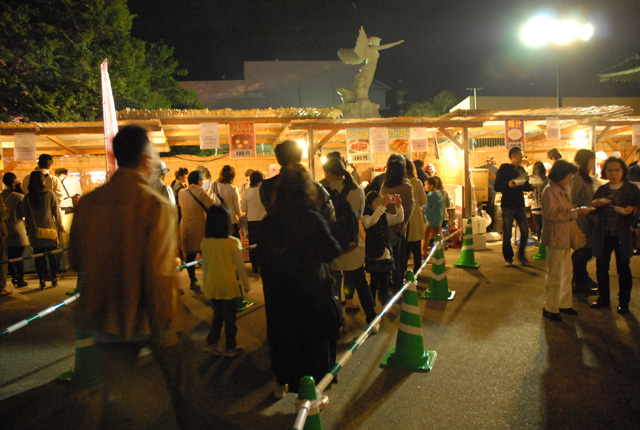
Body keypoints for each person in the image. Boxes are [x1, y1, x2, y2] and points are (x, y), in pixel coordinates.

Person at [71, 125, 201, 429]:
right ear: (146, 159)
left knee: (117, 402)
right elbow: (159, 273)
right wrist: (166, 328)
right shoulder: (154, 203)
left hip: (106, 318)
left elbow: (76, 260)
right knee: (186, 395)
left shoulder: (89, 204)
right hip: (150, 317)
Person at [258, 166, 342, 398]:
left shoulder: (269, 221)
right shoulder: (312, 218)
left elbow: (261, 258)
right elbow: (332, 250)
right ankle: (310, 395)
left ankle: (281, 381)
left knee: (284, 340)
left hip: (280, 295)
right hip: (311, 293)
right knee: (311, 344)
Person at [323, 157, 378, 329]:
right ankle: (371, 318)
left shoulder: (324, 191)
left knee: (333, 287)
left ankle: (336, 323)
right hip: (353, 244)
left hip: (333, 245)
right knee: (360, 282)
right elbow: (360, 214)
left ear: (330, 173)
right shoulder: (357, 189)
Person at [541, 160, 591, 322]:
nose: (570, 180)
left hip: (563, 237)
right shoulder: (550, 192)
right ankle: (550, 307)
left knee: (566, 273)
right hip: (555, 237)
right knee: (555, 274)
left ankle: (564, 304)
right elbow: (552, 215)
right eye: (569, 177)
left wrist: (575, 212)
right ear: (561, 175)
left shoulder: (561, 190)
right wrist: (576, 213)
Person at [590, 157, 640, 314]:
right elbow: (593, 208)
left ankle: (624, 302)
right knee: (601, 267)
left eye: (617, 169)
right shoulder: (603, 189)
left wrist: (633, 210)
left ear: (623, 171)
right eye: (610, 170)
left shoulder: (632, 189)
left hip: (622, 233)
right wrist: (595, 204)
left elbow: (639, 208)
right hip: (603, 232)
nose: (613, 173)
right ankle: (603, 298)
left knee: (623, 268)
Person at [201, 204, 251, 357]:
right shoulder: (232, 242)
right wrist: (246, 284)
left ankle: (212, 343)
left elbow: (205, 267)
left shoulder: (205, 242)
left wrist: (204, 285)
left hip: (212, 286)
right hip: (228, 287)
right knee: (230, 319)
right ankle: (230, 347)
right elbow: (240, 267)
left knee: (218, 315)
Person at [260, 139, 334, 222]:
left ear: (278, 158)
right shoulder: (316, 187)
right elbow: (329, 217)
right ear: (299, 157)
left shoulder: (267, 186)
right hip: (309, 231)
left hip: (278, 231)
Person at [363, 190, 404, 307]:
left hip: (385, 255)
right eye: (377, 202)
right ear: (369, 204)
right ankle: (371, 306)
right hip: (374, 255)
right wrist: (383, 206)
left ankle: (384, 303)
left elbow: (399, 218)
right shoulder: (367, 216)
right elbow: (370, 222)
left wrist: (398, 205)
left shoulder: (383, 215)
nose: (380, 204)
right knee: (374, 282)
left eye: (380, 201)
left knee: (385, 282)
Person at [23, 171, 63, 290]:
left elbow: (25, 214)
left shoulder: (27, 197)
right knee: (52, 256)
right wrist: (60, 226)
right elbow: (56, 212)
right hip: (49, 231)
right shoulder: (50, 194)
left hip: (35, 233)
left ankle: (42, 280)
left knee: (39, 257)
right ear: (43, 181)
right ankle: (54, 278)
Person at [380, 157, 415, 292]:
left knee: (386, 255)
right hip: (399, 227)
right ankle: (398, 283)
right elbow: (410, 207)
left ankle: (386, 282)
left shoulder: (384, 186)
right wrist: (403, 222)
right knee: (399, 257)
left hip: (385, 225)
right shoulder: (406, 186)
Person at [494, 146, 533, 267]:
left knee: (525, 231)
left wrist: (530, 185)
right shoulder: (504, 169)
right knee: (507, 233)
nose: (522, 157)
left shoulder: (521, 169)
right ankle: (508, 257)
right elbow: (497, 187)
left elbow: (526, 186)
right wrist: (508, 184)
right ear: (513, 156)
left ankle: (521, 254)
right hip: (508, 205)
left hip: (520, 204)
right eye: (520, 155)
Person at [178, 170, 215, 290]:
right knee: (206, 254)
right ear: (199, 181)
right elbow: (211, 205)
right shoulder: (200, 192)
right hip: (199, 227)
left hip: (185, 227)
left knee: (190, 255)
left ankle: (193, 280)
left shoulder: (181, 192)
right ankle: (209, 280)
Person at [569, 149, 598, 294]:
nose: (593, 162)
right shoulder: (578, 178)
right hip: (582, 218)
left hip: (590, 217)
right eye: (592, 159)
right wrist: (584, 210)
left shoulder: (587, 177)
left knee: (587, 249)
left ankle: (581, 277)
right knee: (584, 249)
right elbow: (572, 200)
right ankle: (578, 279)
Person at [2, 173, 28, 289]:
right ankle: (20, 279)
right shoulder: (19, 196)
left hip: (5, 231)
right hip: (17, 230)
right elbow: (23, 214)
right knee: (19, 257)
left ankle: (13, 277)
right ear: (15, 181)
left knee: (9, 257)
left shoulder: (1, 196)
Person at [241, 170, 267, 274]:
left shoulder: (248, 191)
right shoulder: (264, 191)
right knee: (264, 244)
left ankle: (254, 267)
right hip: (264, 221)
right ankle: (263, 265)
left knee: (252, 245)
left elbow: (243, 208)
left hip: (252, 222)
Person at [405, 160, 427, 272]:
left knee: (404, 248)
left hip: (401, 217)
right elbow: (423, 200)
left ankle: (401, 272)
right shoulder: (416, 182)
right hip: (415, 216)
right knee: (416, 246)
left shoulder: (395, 182)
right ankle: (417, 270)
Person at [211, 165, 242, 238]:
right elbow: (237, 205)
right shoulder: (233, 188)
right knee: (234, 243)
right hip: (231, 219)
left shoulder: (213, 185)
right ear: (232, 176)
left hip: (218, 219)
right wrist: (240, 217)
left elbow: (209, 200)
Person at [476, 156, 498, 231]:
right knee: (490, 210)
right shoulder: (496, 170)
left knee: (481, 211)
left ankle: (481, 228)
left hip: (480, 192)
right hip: (492, 193)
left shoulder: (480, 168)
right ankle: (489, 228)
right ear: (494, 162)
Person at [424, 176, 445, 248]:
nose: (425, 186)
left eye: (426, 184)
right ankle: (441, 251)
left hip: (430, 219)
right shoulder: (439, 194)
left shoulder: (430, 195)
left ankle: (423, 253)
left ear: (431, 186)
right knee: (438, 235)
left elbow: (426, 208)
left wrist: (422, 208)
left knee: (425, 235)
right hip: (438, 219)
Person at [530, 161, 548, 242]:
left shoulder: (531, 180)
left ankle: (539, 241)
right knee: (545, 226)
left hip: (535, 206)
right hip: (545, 206)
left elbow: (530, 194)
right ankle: (545, 242)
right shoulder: (546, 180)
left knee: (538, 225)